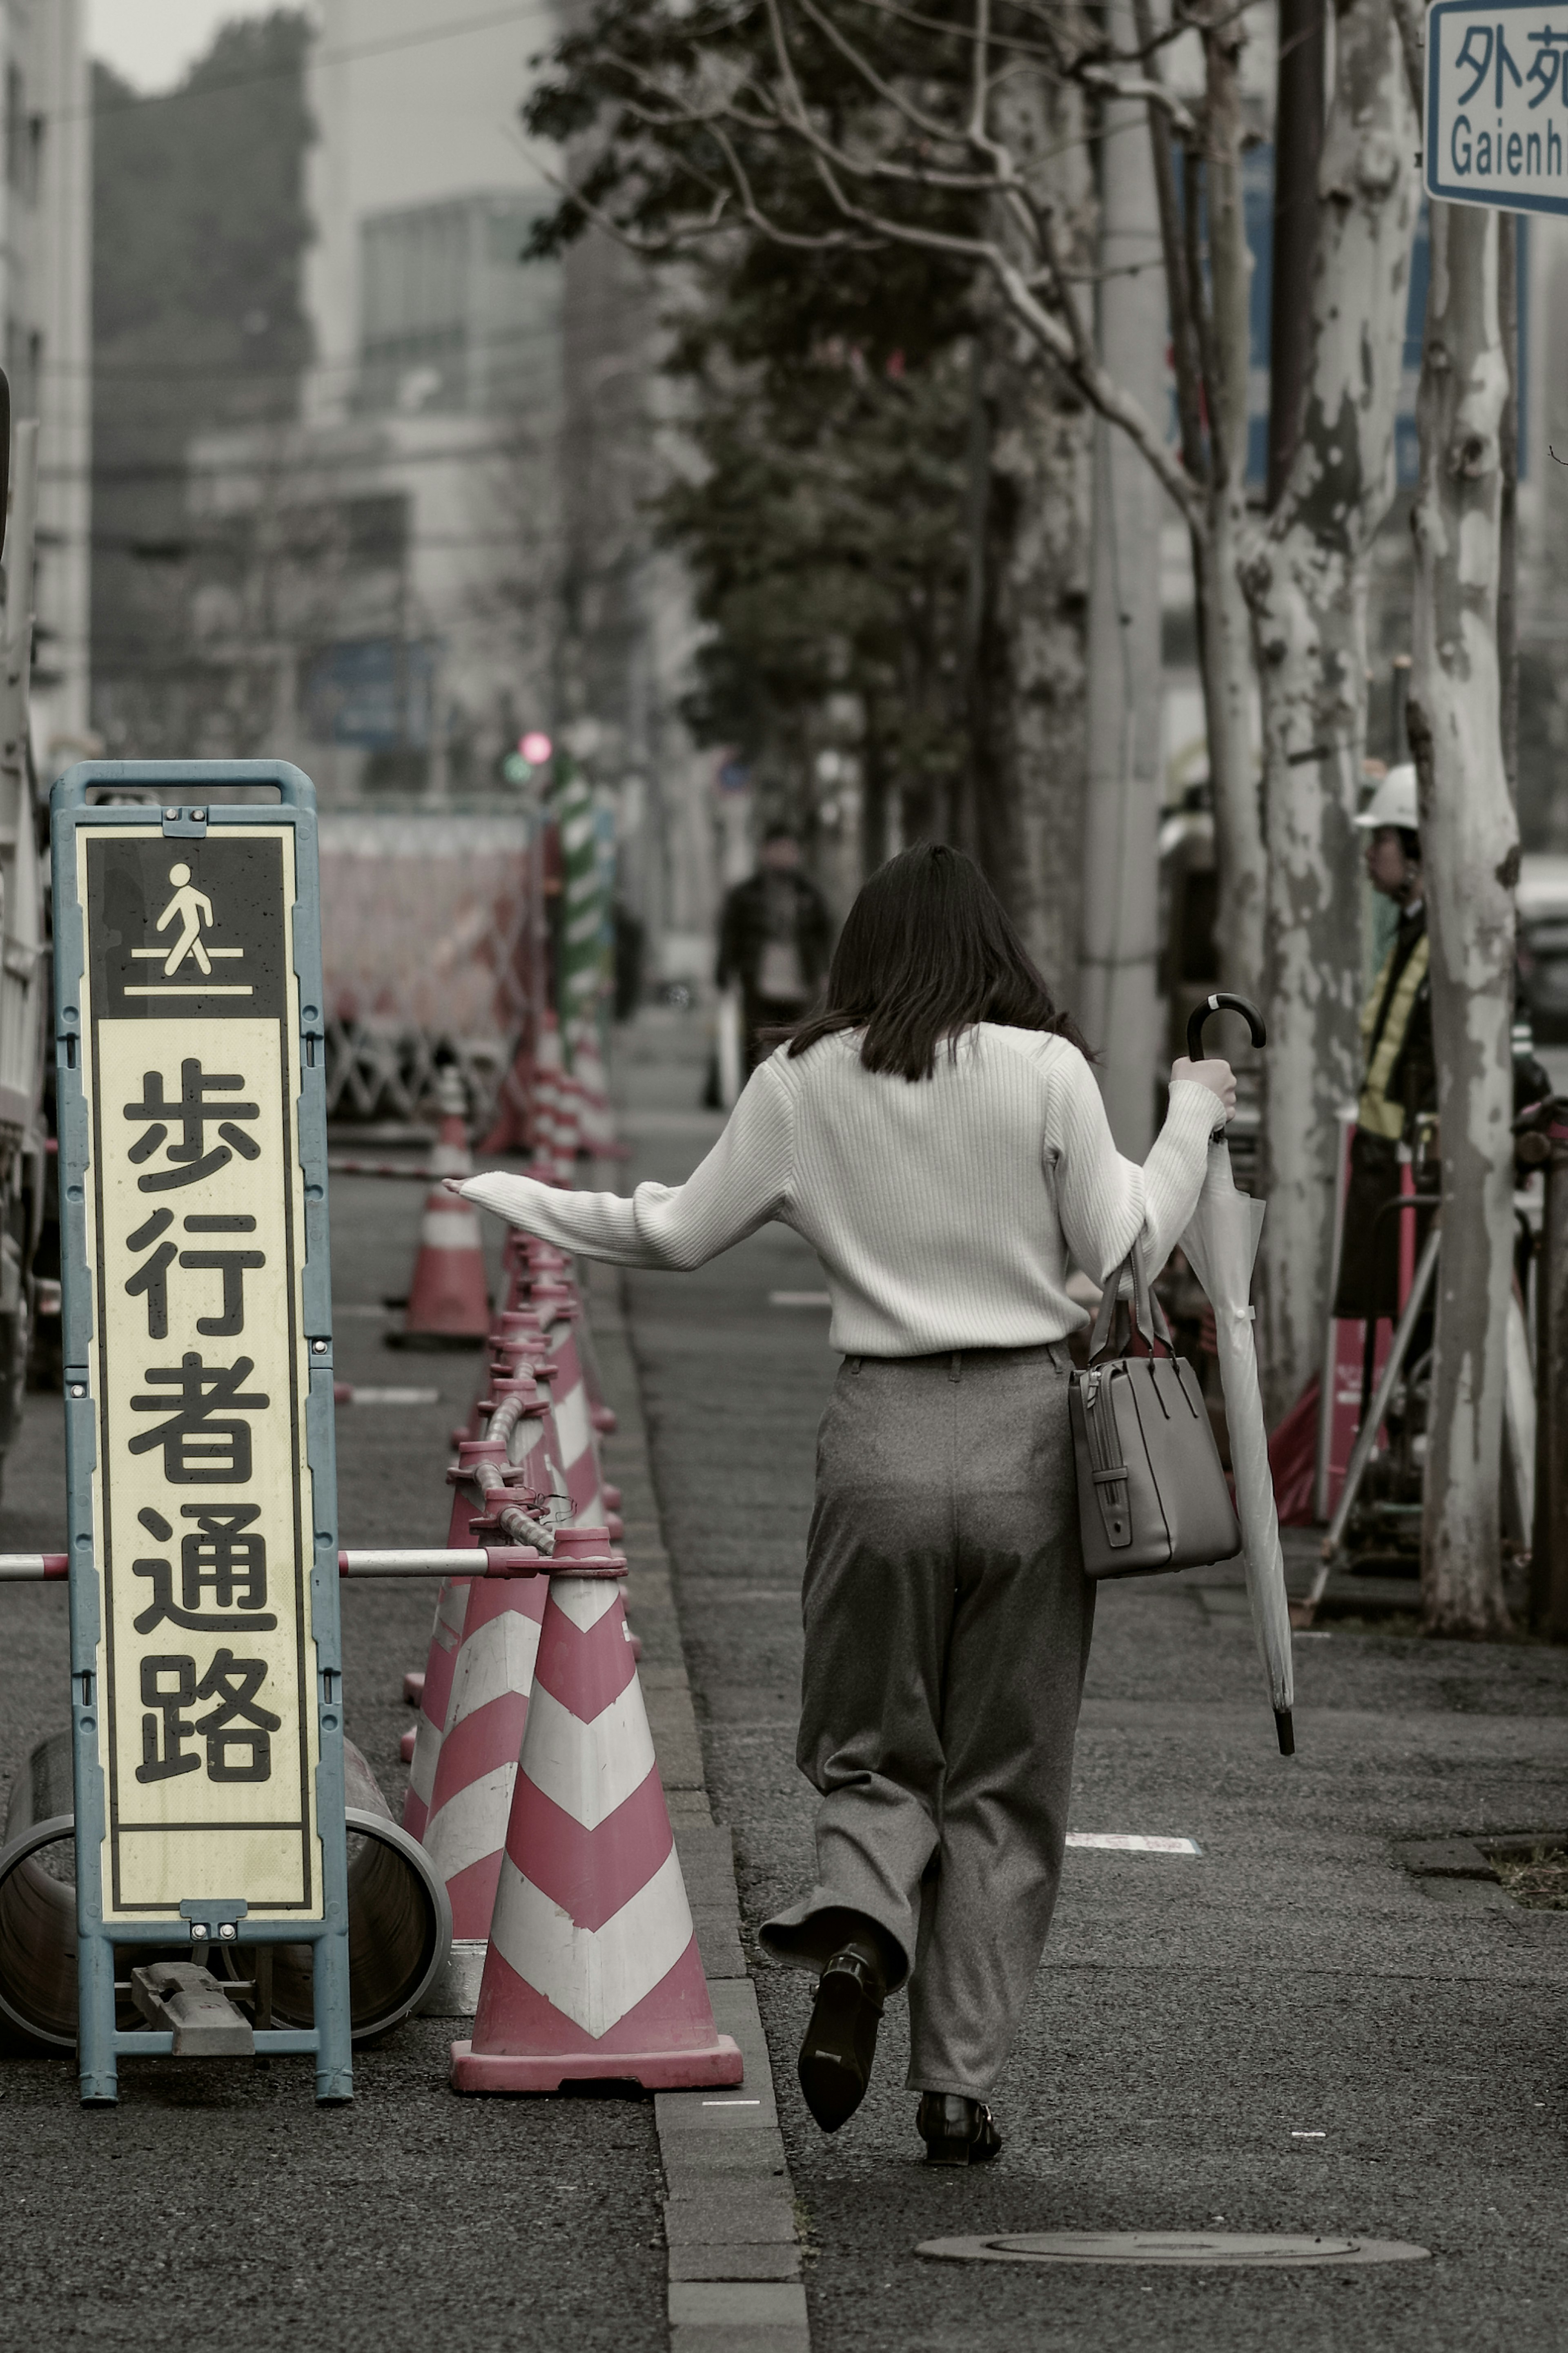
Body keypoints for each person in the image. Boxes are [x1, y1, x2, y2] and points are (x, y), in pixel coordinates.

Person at [450, 843, 1233, 2165]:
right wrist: (1194, 1114)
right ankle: (958, 2086)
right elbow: (1130, 1248)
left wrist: (513, 1192)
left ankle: (864, 1928)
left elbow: (675, 1233)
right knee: (1006, 1776)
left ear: (858, 949)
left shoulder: (805, 1080)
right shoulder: (1048, 1072)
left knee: (874, 1742)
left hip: (879, 1442)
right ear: (994, 946)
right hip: (1034, 1445)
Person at [1333, 765, 1434, 1323]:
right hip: (1390, 1174)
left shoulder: (1441, 942)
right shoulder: (1412, 936)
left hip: (1415, 1182)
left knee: (1417, 1332)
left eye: (1384, 838)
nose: (1372, 852)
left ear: (1419, 848)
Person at [715, 826, 833, 1071]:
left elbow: (825, 934)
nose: (783, 855)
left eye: (789, 850)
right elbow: (730, 935)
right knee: (753, 1042)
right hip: (758, 979)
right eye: (777, 849)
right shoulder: (745, 894)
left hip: (800, 980)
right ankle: (751, 1097)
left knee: (799, 1045)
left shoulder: (810, 894)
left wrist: (824, 970)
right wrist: (725, 974)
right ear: (765, 852)